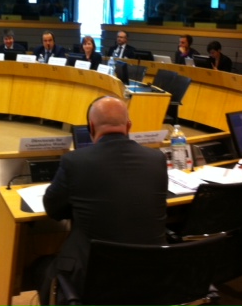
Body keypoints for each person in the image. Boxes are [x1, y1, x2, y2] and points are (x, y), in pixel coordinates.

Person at [36, 97, 168, 306]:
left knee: (41, 267)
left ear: (91, 127)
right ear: (129, 126)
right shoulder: (157, 159)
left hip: (92, 280)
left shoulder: (74, 161)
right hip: (150, 275)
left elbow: (52, 209)